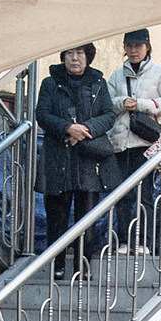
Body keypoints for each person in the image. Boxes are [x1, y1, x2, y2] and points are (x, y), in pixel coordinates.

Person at [37, 42, 118, 278]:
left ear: (88, 57)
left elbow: (109, 115)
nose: (75, 59)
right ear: (63, 57)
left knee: (88, 217)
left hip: (88, 160)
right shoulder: (50, 83)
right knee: (57, 216)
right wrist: (67, 128)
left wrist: (85, 130)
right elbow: (42, 114)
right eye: (70, 53)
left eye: (80, 53)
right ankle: (58, 265)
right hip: (58, 158)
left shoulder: (98, 82)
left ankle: (83, 267)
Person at [106, 27, 161, 247]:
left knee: (144, 195)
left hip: (145, 143)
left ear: (147, 47)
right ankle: (125, 241)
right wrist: (121, 103)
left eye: (138, 45)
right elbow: (106, 104)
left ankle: (143, 242)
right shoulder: (117, 75)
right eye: (129, 46)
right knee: (122, 195)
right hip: (120, 142)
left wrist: (142, 105)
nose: (134, 50)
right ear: (124, 48)